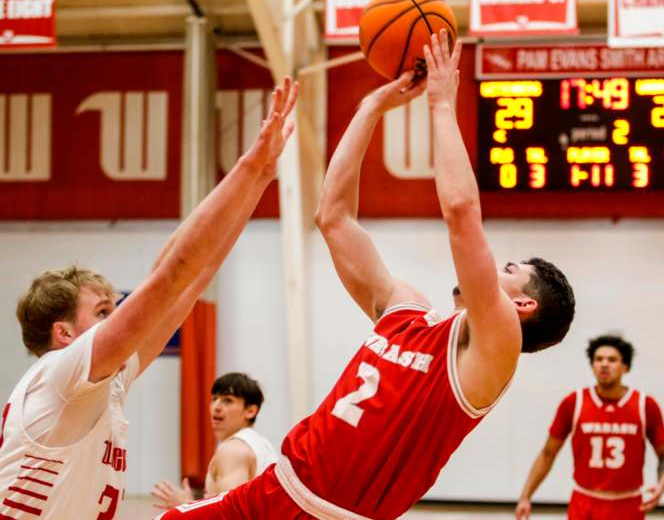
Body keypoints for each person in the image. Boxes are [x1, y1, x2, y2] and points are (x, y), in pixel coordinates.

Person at [157, 30, 574, 520]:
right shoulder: (408, 313)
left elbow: (461, 212)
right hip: (274, 492)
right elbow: (333, 217)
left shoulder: (496, 348)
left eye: (509, 271)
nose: (492, 266)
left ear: (524, 306)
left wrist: (442, 105)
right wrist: (370, 107)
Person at [0, 78, 299, 519]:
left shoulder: (105, 382)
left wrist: (260, 183)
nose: (121, 317)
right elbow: (171, 274)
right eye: (103, 311)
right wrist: (248, 167)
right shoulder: (63, 373)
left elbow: (191, 279)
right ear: (63, 333)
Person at [515, 335, 664, 520]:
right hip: (585, 502)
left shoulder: (645, 405)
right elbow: (547, 454)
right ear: (592, 366)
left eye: (612, 359)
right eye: (598, 359)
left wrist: (661, 487)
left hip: (628, 503)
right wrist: (525, 496)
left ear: (626, 367)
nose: (604, 364)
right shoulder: (574, 403)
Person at [152, 373, 277, 509]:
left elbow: (230, 514)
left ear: (250, 411)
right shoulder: (262, 445)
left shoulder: (233, 450)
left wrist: (185, 507)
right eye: (214, 399)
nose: (216, 407)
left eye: (227, 400)